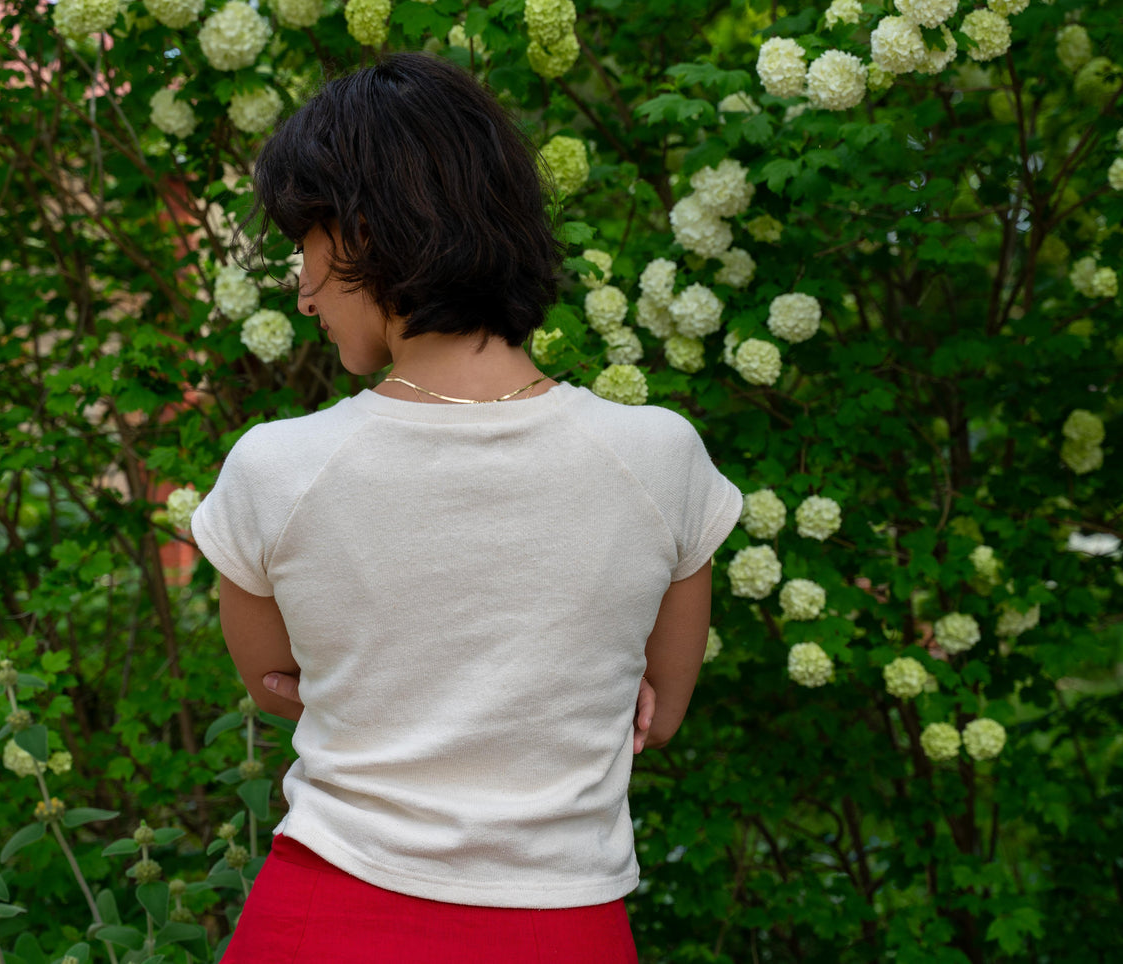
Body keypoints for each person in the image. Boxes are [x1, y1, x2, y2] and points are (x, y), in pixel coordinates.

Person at [190, 52, 742, 963]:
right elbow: (657, 710)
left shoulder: (277, 469)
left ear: (365, 231)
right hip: (563, 927)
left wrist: (377, 698)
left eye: (307, 245)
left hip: (322, 924)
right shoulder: (658, 459)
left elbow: (277, 686)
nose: (301, 287)